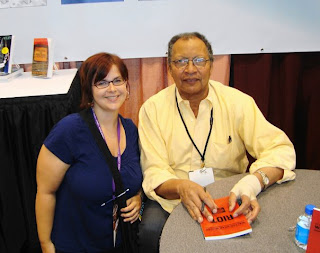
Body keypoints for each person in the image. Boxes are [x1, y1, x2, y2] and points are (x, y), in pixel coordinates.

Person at [138, 32, 296, 253]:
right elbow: (154, 170)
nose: (190, 69)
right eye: (181, 61)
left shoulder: (238, 102)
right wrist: (182, 187)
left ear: (211, 65)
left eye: (199, 60)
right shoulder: (152, 109)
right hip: (174, 196)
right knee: (150, 231)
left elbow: (280, 149)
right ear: (169, 68)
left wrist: (252, 184)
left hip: (229, 193)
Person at [35, 52, 143, 253]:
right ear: (89, 90)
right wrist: (46, 245)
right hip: (75, 245)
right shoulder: (69, 130)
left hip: (120, 243)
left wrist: (138, 199)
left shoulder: (131, 129)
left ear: (127, 87)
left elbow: (135, 180)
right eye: (101, 83)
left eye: (117, 81)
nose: (111, 89)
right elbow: (45, 192)